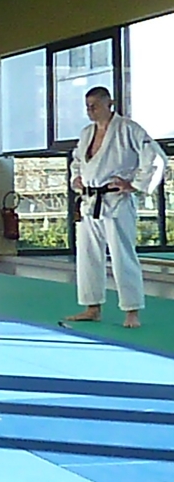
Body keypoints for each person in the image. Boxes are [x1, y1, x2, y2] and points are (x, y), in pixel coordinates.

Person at [64, 86, 167, 329]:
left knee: (122, 257)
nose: (90, 110)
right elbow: (77, 161)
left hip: (117, 202)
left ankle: (132, 311)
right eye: (87, 106)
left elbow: (155, 157)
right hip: (90, 202)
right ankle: (92, 307)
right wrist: (76, 178)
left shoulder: (128, 129)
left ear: (109, 103)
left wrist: (135, 185)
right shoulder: (86, 133)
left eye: (94, 106)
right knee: (87, 256)